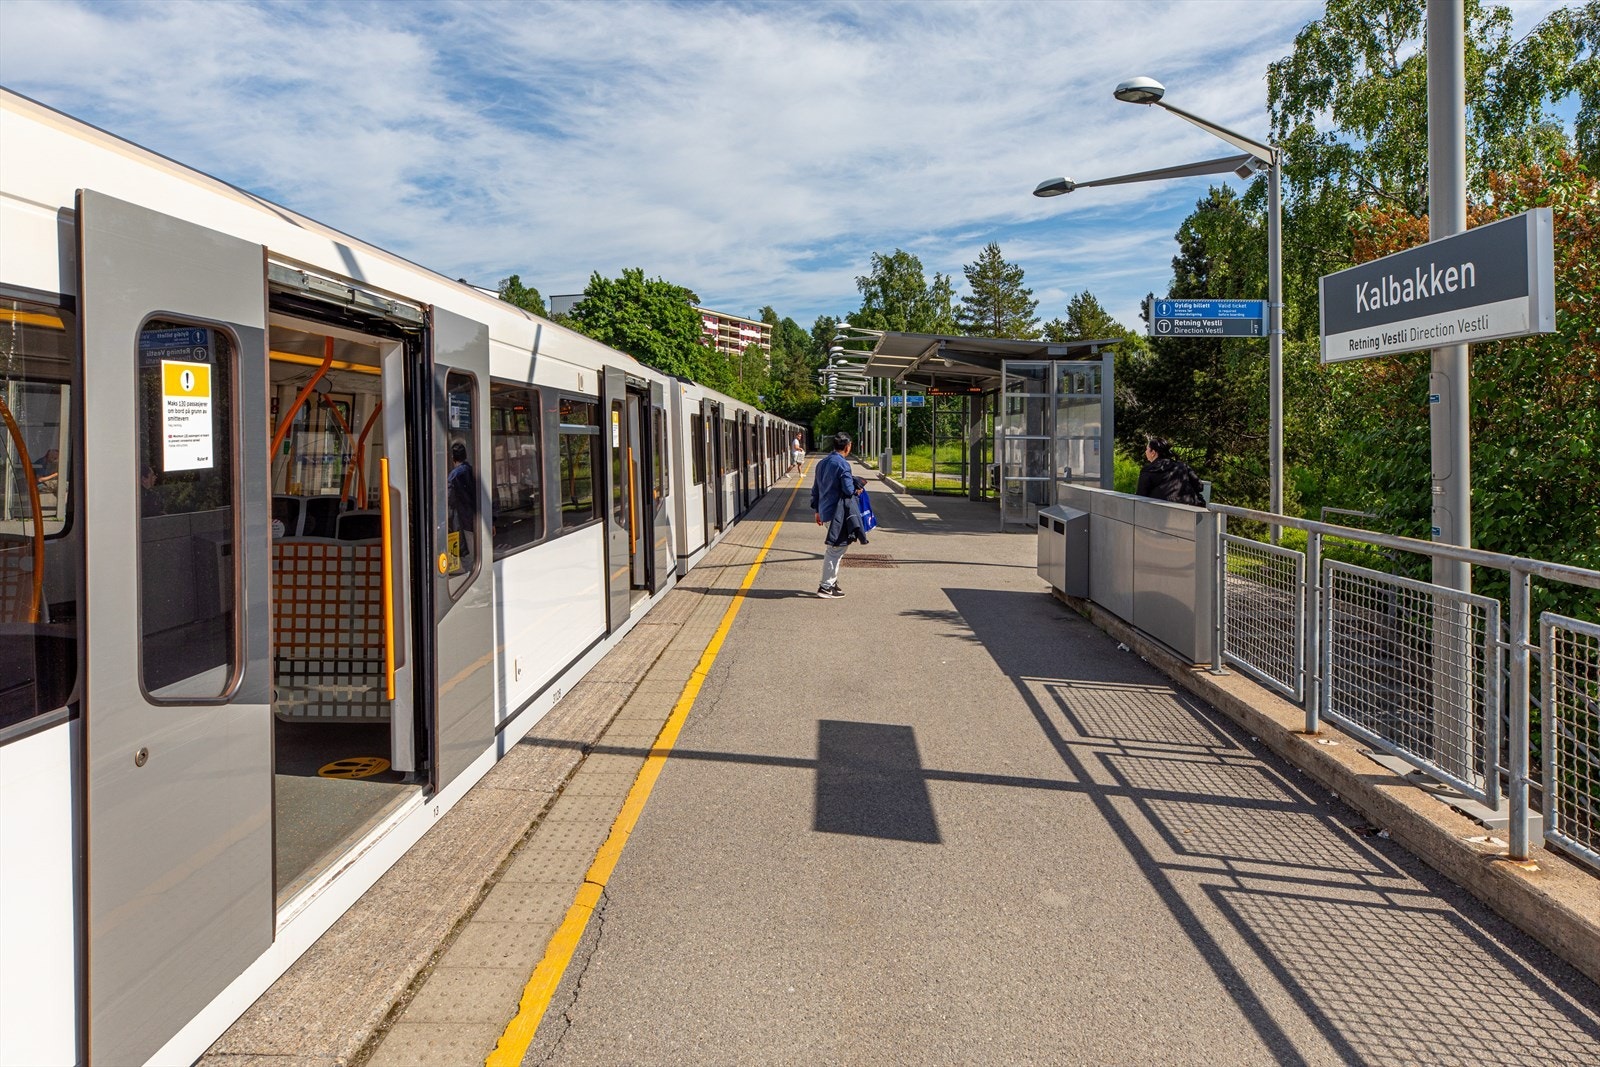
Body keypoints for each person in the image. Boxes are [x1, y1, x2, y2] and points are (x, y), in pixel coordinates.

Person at [809, 432, 863, 598]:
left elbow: (816, 488)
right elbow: (848, 489)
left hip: (825, 510)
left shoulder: (822, 463)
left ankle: (832, 581)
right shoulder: (842, 465)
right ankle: (825, 586)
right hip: (837, 513)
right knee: (836, 549)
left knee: (837, 548)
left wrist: (817, 510)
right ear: (848, 447)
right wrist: (857, 490)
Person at [1136, 436, 1205, 507]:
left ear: (1153, 452)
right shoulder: (1182, 466)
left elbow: (1141, 496)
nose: (1145, 452)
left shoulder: (1148, 470)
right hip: (1189, 510)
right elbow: (1199, 486)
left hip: (1161, 512)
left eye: (1147, 449)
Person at [447, 439, 477, 561]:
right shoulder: (473, 470)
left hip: (462, 517)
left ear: (453, 457)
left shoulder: (453, 475)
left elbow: (448, 498)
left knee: (468, 545)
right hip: (476, 515)